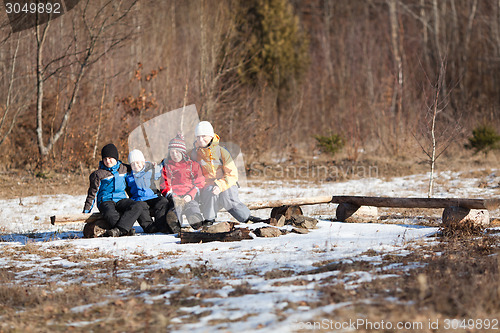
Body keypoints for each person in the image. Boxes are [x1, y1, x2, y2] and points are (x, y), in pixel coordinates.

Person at [191, 121, 262, 224]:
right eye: (198, 137)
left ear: (211, 136)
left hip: (226, 182)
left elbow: (232, 174)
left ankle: (246, 218)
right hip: (207, 185)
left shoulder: (221, 152)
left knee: (227, 196)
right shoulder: (195, 153)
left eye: (204, 136)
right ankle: (209, 220)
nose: (200, 140)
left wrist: (220, 186)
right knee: (210, 191)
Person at [83, 143, 147, 237]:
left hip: (121, 199)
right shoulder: (98, 174)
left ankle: (119, 230)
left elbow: (138, 166)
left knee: (137, 205)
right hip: (105, 200)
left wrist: (148, 165)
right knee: (110, 214)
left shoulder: (124, 169)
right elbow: (92, 194)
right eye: (105, 159)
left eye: (110, 158)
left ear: (116, 158)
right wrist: (86, 211)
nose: (108, 161)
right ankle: (126, 230)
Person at [126, 149, 177, 233]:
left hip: (152, 196)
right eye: (133, 164)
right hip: (139, 199)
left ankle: (161, 225)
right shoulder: (128, 176)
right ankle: (149, 227)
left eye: (138, 163)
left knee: (163, 201)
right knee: (140, 207)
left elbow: (160, 168)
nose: (136, 166)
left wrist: (165, 160)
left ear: (143, 162)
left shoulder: (150, 170)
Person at [161, 133, 205, 229]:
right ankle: (174, 223)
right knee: (176, 208)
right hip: (175, 196)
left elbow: (200, 183)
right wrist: (172, 195)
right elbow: (164, 184)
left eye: (177, 152)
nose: (175, 155)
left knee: (192, 206)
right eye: (172, 152)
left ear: (183, 152)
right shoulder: (168, 166)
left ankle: (195, 220)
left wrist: (191, 195)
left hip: (190, 195)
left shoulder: (192, 165)